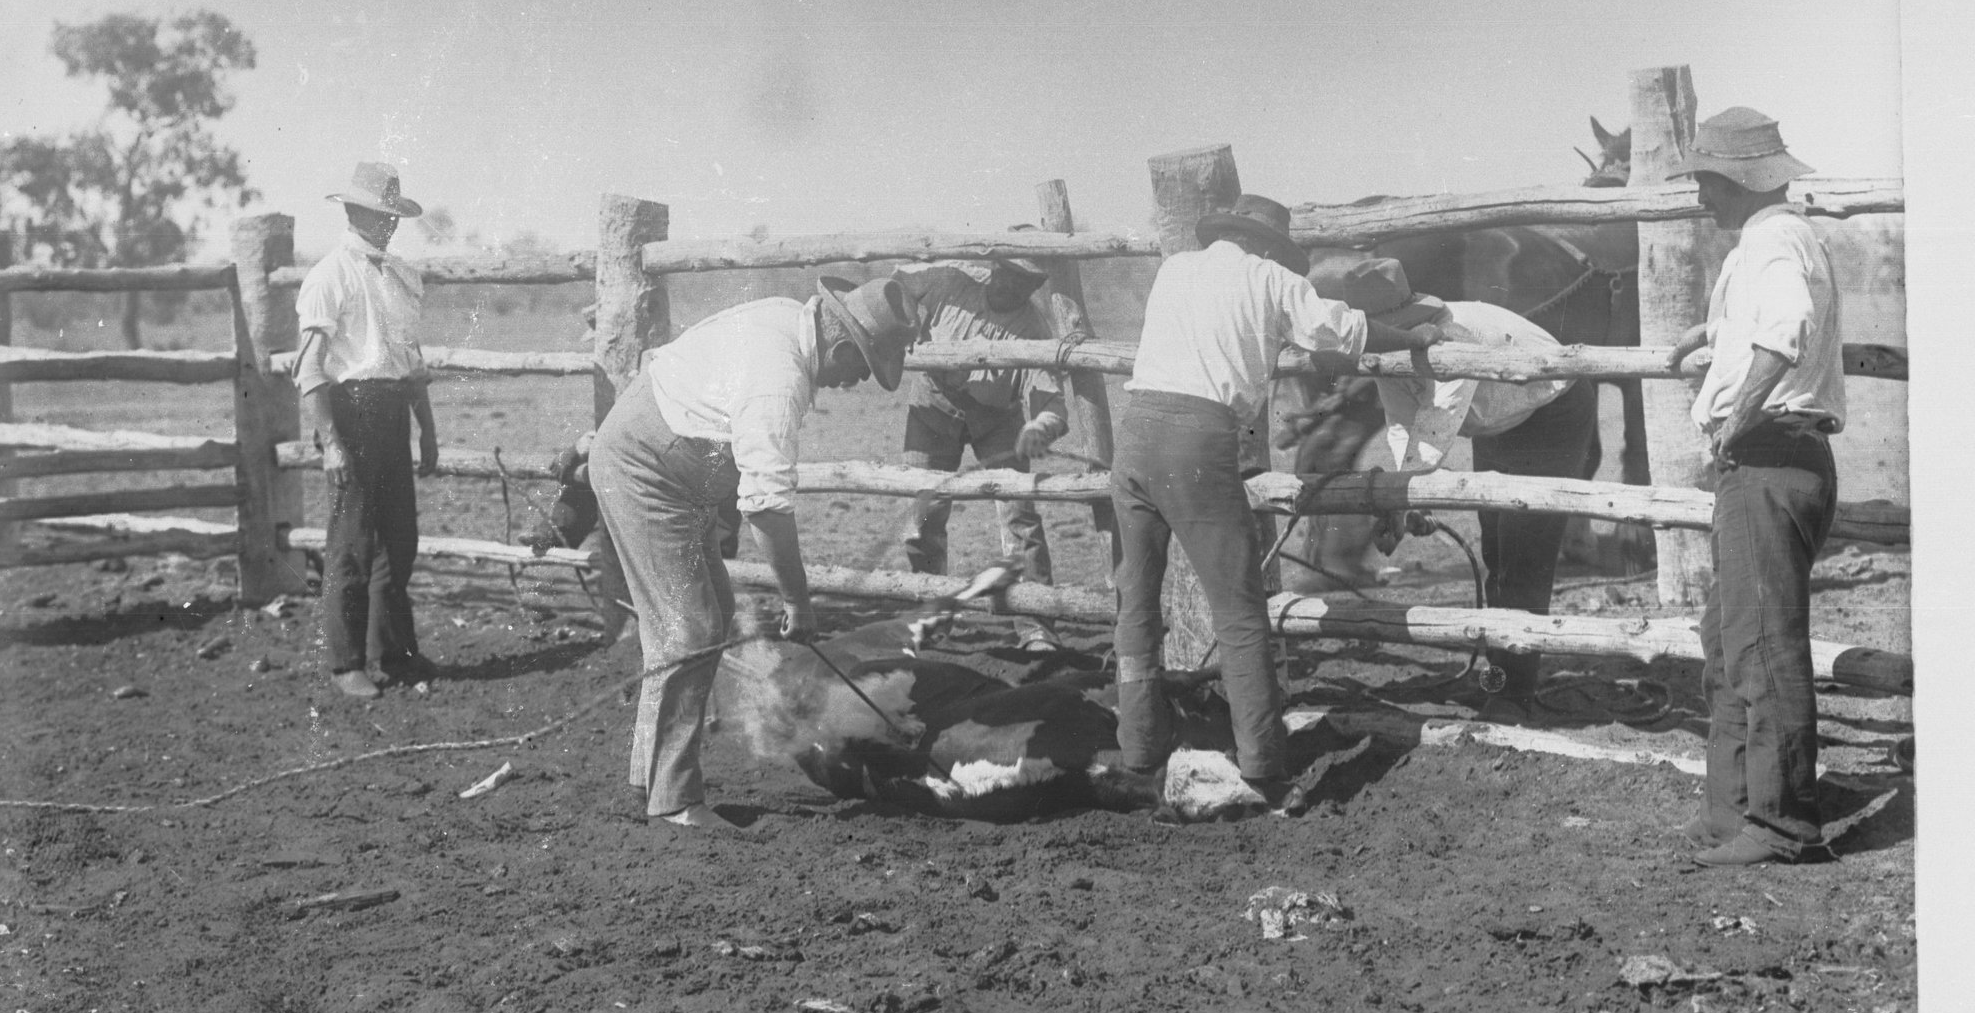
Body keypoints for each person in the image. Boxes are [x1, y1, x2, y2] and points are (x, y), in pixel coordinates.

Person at [1111, 194, 1444, 798]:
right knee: (1239, 610)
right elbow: (1344, 333)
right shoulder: (1268, 278)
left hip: (1134, 435)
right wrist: (1414, 335)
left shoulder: (1175, 269)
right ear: (1267, 247)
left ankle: (1138, 750)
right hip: (1196, 441)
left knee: (1136, 598)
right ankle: (1263, 764)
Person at [589, 275, 915, 833]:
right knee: (688, 632)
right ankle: (673, 802)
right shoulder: (779, 378)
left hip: (671, 470)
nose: (852, 382)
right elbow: (766, 505)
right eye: (859, 368)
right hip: (645, 470)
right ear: (839, 347)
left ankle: (648, 777)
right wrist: (798, 602)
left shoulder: (788, 318)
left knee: (700, 619)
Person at [1663, 107, 1844, 868]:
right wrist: (1713, 335)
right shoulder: (1778, 238)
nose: (1702, 195)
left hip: (1766, 456)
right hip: (1775, 459)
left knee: (1762, 643)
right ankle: (1733, 810)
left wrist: (1736, 423)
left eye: (1708, 179)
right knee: (1732, 638)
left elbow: (1787, 327)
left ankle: (1781, 824)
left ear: (1739, 180)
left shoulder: (1769, 238)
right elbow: (1770, 321)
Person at [1326, 256, 1600, 716]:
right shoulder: (1388, 353)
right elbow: (1401, 426)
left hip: (1550, 409)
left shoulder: (1455, 342)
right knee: (1494, 548)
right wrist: (1401, 500)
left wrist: (1403, 500)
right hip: (1498, 419)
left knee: (1523, 550)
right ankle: (1500, 674)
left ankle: (1514, 693)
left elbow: (1433, 433)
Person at [293, 162, 439, 701]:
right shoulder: (329, 275)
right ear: (353, 212)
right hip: (350, 414)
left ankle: (394, 652)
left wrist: (428, 429)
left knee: (399, 541)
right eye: (381, 215)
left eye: (393, 216)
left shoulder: (401, 276)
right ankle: (345, 662)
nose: (390, 225)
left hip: (393, 412)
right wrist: (331, 443)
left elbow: (411, 362)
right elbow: (309, 370)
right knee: (351, 544)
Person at [889, 254, 1069, 651]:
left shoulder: (1034, 329)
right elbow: (898, 281)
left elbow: (1052, 403)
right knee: (921, 515)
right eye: (1007, 274)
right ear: (994, 267)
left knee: (1019, 516)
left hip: (997, 418)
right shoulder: (948, 280)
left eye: (1025, 282)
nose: (1011, 286)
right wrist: (908, 325)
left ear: (1035, 287)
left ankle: (1035, 625)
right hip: (933, 406)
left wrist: (1039, 427)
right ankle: (931, 618)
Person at [527, 429, 740, 647]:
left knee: (702, 575)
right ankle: (559, 528)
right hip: (656, 475)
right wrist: (582, 449)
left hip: (700, 474)